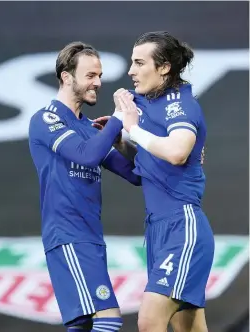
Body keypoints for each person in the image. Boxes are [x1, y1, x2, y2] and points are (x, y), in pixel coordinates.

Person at [28, 41, 141, 332]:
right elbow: (87, 155)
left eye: (99, 75)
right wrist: (118, 118)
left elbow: (135, 174)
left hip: (89, 237)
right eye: (90, 75)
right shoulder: (46, 119)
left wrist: (122, 142)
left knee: (82, 326)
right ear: (67, 77)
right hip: (69, 236)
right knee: (108, 319)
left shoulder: (89, 129)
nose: (98, 82)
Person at [117, 31, 214, 332]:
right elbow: (144, 166)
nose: (131, 71)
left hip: (182, 228)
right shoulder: (146, 104)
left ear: (164, 67)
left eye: (139, 62)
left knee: (149, 321)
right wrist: (121, 140)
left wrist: (132, 129)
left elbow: (176, 152)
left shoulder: (179, 104)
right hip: (158, 230)